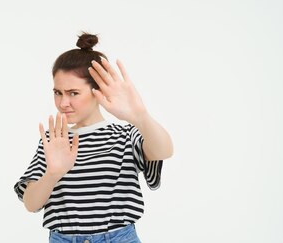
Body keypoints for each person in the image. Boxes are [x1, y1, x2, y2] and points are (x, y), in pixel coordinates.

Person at [13, 32, 173, 243]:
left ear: (97, 90)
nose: (63, 103)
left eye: (73, 93)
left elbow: (164, 150)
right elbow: (31, 204)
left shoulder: (124, 136)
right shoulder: (55, 141)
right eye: (58, 92)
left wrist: (139, 115)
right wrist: (53, 173)